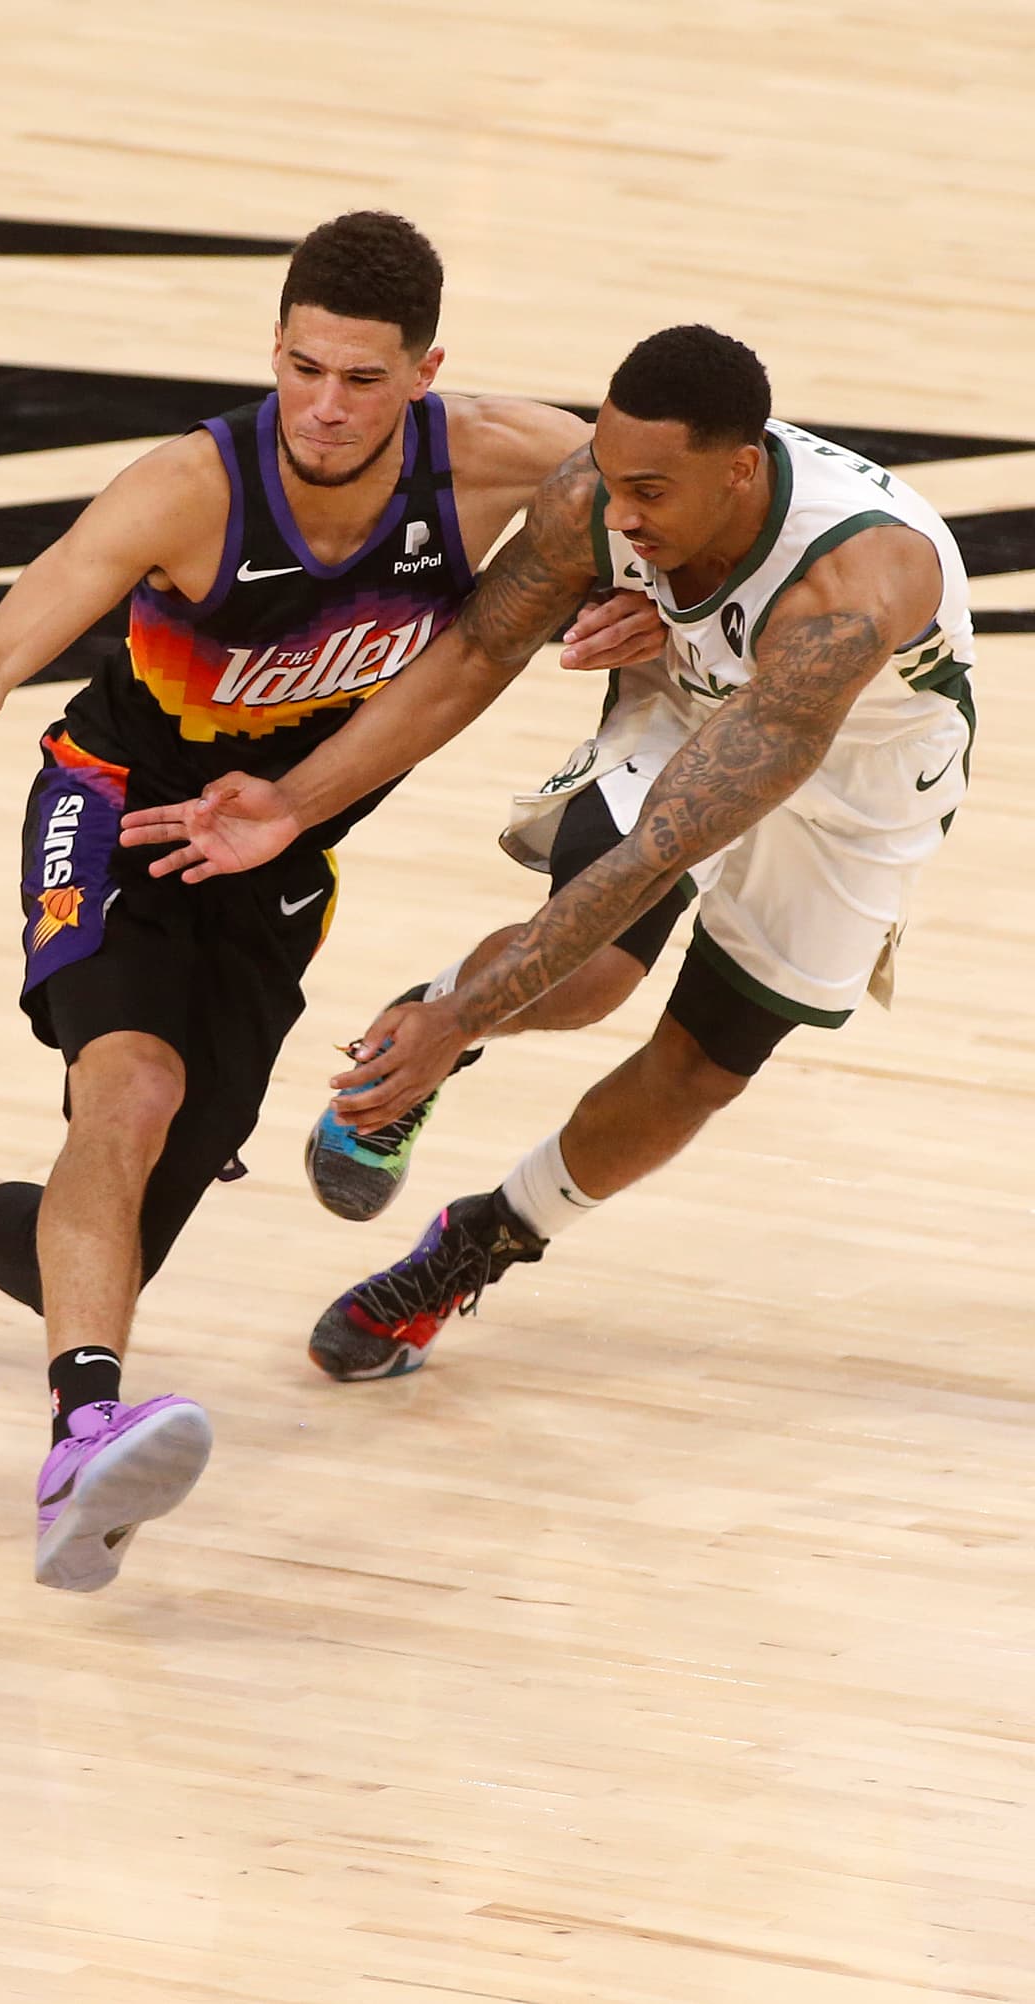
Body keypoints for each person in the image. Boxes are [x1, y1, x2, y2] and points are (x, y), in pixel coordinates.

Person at [0, 210, 663, 1589]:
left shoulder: (510, 460)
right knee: (121, 1101)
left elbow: (673, 512)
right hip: (114, 812)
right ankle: (82, 1437)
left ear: (427, 371)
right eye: (303, 367)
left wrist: (648, 601)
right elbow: (4, 638)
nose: (324, 405)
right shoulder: (190, 488)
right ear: (274, 348)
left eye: (363, 379)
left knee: (116, 1239)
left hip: (277, 859)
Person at [142, 323, 975, 1383]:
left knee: (699, 1069)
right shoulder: (599, 494)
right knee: (585, 978)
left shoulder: (845, 593)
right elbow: (478, 648)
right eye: (611, 481)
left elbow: (651, 861)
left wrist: (460, 1021)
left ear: (737, 470)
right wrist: (293, 805)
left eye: (649, 494)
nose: (618, 513)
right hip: (689, 703)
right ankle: (437, 1014)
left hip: (861, 772)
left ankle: (475, 1239)